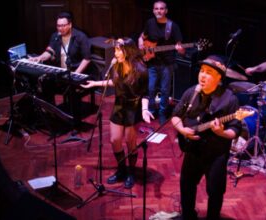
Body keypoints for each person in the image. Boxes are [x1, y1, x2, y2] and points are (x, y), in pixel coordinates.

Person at [171, 55, 242, 220]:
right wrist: (181, 130)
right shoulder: (192, 92)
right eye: (202, 71)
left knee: (215, 191)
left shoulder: (230, 100)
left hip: (216, 153)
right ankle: (188, 215)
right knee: (187, 184)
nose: (202, 75)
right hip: (192, 148)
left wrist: (221, 133)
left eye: (209, 72)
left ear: (219, 78)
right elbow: (175, 115)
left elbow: (235, 130)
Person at [81, 38, 154, 189]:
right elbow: (115, 83)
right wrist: (95, 83)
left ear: (128, 51)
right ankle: (121, 170)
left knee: (130, 142)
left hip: (133, 108)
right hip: (119, 105)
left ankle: (131, 173)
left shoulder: (141, 70)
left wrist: (145, 110)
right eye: (115, 50)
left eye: (119, 50)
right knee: (115, 140)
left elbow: (146, 94)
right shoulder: (117, 66)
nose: (116, 53)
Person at [29, 11, 92, 105]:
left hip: (75, 72)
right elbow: (50, 51)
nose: (60, 28)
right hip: (61, 72)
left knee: (70, 91)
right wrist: (40, 57)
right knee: (44, 84)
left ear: (70, 25)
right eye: (58, 26)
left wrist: (75, 74)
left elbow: (87, 59)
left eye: (63, 25)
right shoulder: (55, 36)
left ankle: (70, 115)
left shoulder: (80, 37)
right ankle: (50, 112)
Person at [138, 0, 185, 124]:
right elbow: (142, 36)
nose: (159, 11)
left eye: (162, 9)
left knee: (165, 90)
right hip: (152, 62)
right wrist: (140, 41)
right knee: (151, 88)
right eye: (156, 9)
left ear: (166, 11)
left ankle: (163, 113)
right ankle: (151, 111)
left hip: (167, 64)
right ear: (153, 10)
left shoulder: (172, 26)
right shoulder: (150, 23)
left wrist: (180, 50)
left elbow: (180, 48)